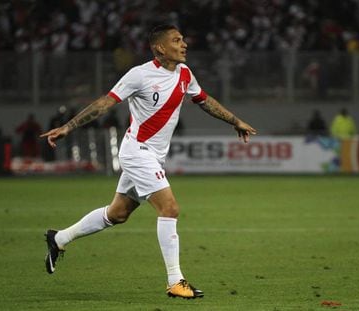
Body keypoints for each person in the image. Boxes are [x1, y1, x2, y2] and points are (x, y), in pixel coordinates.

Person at [40, 24, 256, 299]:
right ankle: (175, 281)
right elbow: (106, 102)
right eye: (177, 40)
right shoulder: (139, 75)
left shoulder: (185, 74)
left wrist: (235, 121)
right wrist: (68, 126)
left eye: (183, 39)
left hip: (153, 155)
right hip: (137, 151)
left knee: (117, 214)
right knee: (170, 208)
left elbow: (204, 101)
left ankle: (59, 239)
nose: (184, 44)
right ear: (160, 48)